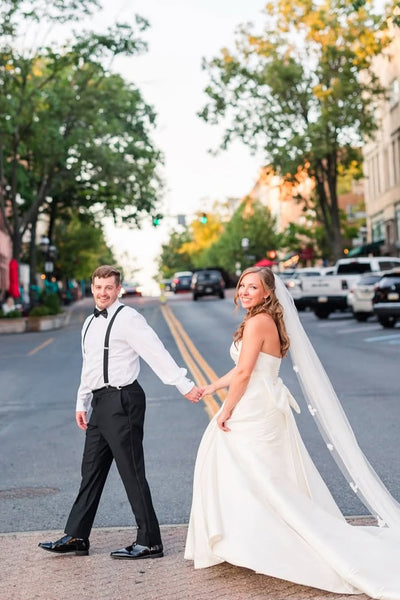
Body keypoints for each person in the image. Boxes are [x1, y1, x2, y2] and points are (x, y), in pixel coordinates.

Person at [185, 267, 400, 599]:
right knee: (262, 477)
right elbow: (246, 367)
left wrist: (225, 409)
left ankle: (253, 541)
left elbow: (244, 373)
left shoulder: (258, 322)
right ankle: (247, 538)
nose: (243, 291)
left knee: (259, 477)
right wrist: (212, 387)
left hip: (256, 409)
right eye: (242, 285)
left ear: (267, 293)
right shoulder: (262, 319)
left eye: (252, 287)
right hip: (264, 406)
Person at [39, 265, 201, 559]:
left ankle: (150, 541)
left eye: (108, 288)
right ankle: (77, 535)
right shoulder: (88, 322)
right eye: (98, 287)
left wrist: (184, 385)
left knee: (131, 470)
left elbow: (156, 352)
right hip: (100, 403)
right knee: (91, 470)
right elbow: (89, 366)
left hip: (124, 399)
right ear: (92, 288)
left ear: (118, 289)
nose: (103, 293)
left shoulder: (129, 319)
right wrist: (82, 402)